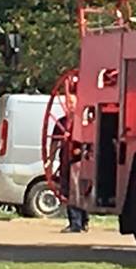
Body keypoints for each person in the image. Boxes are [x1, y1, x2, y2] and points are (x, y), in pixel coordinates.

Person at [54, 99, 88, 233]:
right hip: (65, 161)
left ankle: (78, 222)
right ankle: (78, 221)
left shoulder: (81, 122)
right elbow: (54, 141)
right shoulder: (61, 122)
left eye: (72, 103)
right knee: (69, 190)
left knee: (76, 191)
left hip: (77, 160)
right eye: (68, 103)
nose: (69, 106)